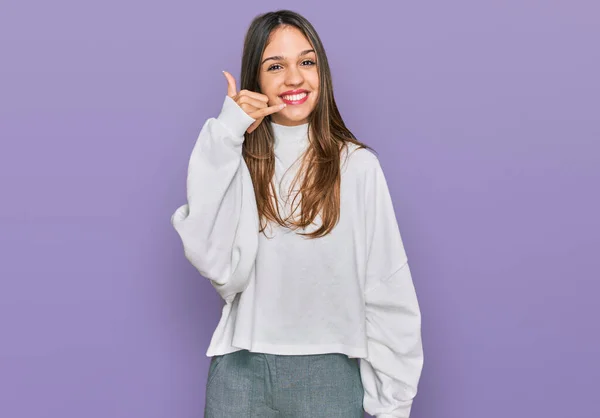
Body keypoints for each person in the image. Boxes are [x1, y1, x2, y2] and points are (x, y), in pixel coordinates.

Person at [171, 9, 423, 418]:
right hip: (240, 373)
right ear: (256, 78)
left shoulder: (356, 166)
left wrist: (394, 402)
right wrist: (226, 132)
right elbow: (213, 260)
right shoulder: (237, 159)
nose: (294, 78)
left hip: (331, 375)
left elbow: (386, 286)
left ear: (322, 72)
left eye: (307, 62)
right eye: (276, 66)